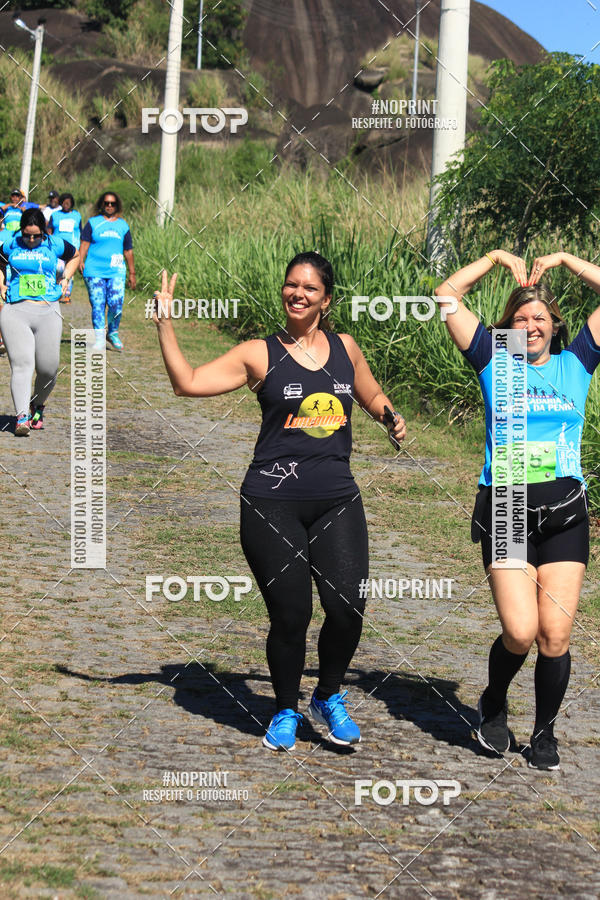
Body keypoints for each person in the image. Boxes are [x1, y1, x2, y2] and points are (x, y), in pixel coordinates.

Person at [152, 252, 406, 751]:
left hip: (336, 499)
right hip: (271, 501)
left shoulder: (345, 348)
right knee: (291, 615)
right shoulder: (259, 354)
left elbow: (370, 393)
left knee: (348, 606)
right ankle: (286, 708)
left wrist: (388, 415)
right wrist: (166, 325)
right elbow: (188, 384)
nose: (298, 294)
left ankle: (328, 696)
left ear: (326, 300)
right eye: (291, 285)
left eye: (309, 289)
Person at [436, 249, 600, 770]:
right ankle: (493, 701)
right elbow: (445, 296)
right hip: (505, 504)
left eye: (540, 317)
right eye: (521, 317)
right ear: (508, 325)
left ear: (555, 325)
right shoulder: (494, 358)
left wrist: (568, 261)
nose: (530, 325)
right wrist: (493, 258)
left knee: (555, 633)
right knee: (521, 631)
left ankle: (545, 733)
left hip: (566, 509)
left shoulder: (577, 362)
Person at [0, 208, 78, 434]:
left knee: (48, 369)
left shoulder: (54, 244)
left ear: (44, 232)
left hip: (48, 311)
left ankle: (37, 404)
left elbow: (74, 256)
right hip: (16, 311)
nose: (31, 240)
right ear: (21, 231)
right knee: (22, 365)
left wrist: (65, 278)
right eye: (27, 235)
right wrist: (3, 284)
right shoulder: (11, 244)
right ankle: (21, 417)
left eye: (36, 236)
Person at [79, 191, 136, 350]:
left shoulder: (123, 225)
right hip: (94, 270)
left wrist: (132, 273)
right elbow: (84, 244)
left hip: (116, 271)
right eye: (106, 203)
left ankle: (112, 332)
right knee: (98, 304)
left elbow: (128, 251)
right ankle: (99, 338)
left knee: (116, 303)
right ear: (101, 205)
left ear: (116, 205)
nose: (109, 206)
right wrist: (80, 261)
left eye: (112, 203)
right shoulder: (93, 223)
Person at [47, 193, 82, 302]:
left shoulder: (77, 215)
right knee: (59, 268)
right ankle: (56, 288)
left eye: (68, 202)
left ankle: (66, 294)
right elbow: (49, 230)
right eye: (64, 202)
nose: (66, 204)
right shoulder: (55, 215)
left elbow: (80, 231)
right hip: (58, 248)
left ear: (72, 203)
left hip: (72, 247)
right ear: (61, 203)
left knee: (69, 272)